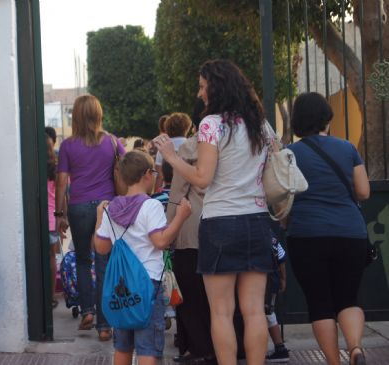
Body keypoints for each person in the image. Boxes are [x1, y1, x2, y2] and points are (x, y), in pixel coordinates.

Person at [155, 59, 276, 365]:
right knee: (253, 310)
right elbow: (272, 163)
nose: (199, 94)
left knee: (221, 312)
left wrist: (171, 156)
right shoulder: (260, 124)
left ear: (216, 88)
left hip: (221, 223)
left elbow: (202, 178)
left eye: (202, 86)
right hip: (257, 220)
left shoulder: (212, 125)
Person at [285, 92, 370, 365]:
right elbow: (365, 192)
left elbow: (280, 198)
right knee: (348, 297)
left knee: (319, 302)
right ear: (326, 119)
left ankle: (334, 362)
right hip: (350, 233)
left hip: (306, 234)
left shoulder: (289, 154)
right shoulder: (347, 148)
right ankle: (355, 347)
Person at [94, 150, 192, 365]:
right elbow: (160, 241)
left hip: (121, 287)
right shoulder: (151, 205)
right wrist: (181, 217)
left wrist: (100, 217)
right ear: (147, 174)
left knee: (122, 346)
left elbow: (101, 248)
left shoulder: (112, 208)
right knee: (148, 347)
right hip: (148, 283)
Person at [55, 94, 125, 341]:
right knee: (103, 263)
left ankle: (86, 311)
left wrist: (59, 215)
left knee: (83, 260)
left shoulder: (68, 145)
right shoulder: (113, 142)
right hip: (106, 207)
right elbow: (127, 169)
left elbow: (62, 181)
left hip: (79, 207)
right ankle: (104, 326)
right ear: (98, 114)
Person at [166, 121, 216, 365]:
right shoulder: (240, 139)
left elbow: (177, 191)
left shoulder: (190, 147)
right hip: (225, 223)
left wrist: (169, 228)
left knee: (190, 295)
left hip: (192, 227)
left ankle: (198, 348)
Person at [265, 232, 289, 363]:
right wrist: (283, 278)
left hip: (260, 281)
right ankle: (280, 348)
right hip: (272, 281)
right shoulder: (271, 237)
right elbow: (281, 258)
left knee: (260, 315)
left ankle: (279, 349)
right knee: (269, 313)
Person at [155, 113, 193, 192]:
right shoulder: (192, 146)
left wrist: (156, 194)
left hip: (167, 191)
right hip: (187, 190)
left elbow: (159, 176)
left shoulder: (162, 146)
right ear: (186, 127)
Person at [46, 134, 61, 309]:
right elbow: (61, 195)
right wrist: (61, 216)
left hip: (38, 221)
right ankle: (50, 296)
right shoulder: (56, 169)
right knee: (52, 258)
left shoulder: (33, 167)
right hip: (52, 219)